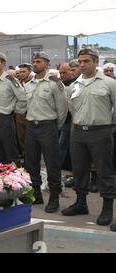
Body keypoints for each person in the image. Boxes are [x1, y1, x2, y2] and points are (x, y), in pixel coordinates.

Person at [62, 48, 116, 227]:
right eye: (80, 62)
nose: (82, 65)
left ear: (95, 62)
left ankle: (107, 208)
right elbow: (71, 108)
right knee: (79, 169)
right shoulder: (74, 85)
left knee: (104, 171)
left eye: (86, 61)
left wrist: (108, 126)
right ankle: (81, 203)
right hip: (77, 132)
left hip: (100, 132)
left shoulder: (109, 83)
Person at [24, 52, 68, 213]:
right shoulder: (29, 84)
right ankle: (36, 194)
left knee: (52, 163)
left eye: (39, 61)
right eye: (34, 61)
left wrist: (54, 126)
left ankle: (54, 197)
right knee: (31, 163)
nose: (35, 64)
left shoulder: (54, 84)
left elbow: (62, 109)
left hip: (48, 126)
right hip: (31, 126)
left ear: (47, 64)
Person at [0, 52, 26, 164]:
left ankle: (14, 178)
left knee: (10, 152)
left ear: (3, 64)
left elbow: (23, 98)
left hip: (5, 119)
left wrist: (13, 110)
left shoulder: (10, 80)